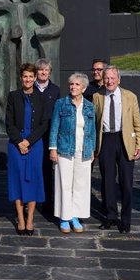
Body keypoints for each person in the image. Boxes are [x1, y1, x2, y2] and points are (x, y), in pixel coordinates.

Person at [93, 66, 140, 233]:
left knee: (126, 183)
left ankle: (126, 220)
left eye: (112, 78)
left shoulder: (130, 96)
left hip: (125, 140)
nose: (109, 81)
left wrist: (139, 145)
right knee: (107, 181)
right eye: (107, 78)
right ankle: (110, 216)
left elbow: (138, 123)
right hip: (106, 140)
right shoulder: (97, 96)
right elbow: (94, 123)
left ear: (119, 79)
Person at [49, 73, 96, 233]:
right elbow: (54, 126)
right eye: (71, 84)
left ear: (83, 88)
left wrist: (92, 150)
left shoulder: (89, 106)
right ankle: (64, 217)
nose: (73, 87)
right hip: (64, 149)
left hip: (83, 150)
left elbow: (92, 130)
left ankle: (75, 215)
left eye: (77, 85)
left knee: (80, 184)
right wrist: (53, 148)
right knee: (64, 183)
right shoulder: (61, 104)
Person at [6, 63, 48, 235]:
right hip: (16, 143)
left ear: (35, 78)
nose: (28, 79)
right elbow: (9, 123)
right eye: (25, 76)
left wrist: (28, 142)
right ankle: (20, 218)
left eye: (31, 76)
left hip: (35, 143)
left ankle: (30, 217)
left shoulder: (41, 97)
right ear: (21, 78)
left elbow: (44, 124)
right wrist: (19, 142)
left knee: (33, 180)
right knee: (17, 179)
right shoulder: (13, 96)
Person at [34, 58, 60, 216]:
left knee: (47, 171)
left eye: (46, 70)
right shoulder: (30, 88)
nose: (43, 73)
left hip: (49, 135)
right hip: (33, 135)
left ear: (50, 72)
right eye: (40, 70)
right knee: (32, 169)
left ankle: (47, 204)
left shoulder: (55, 90)